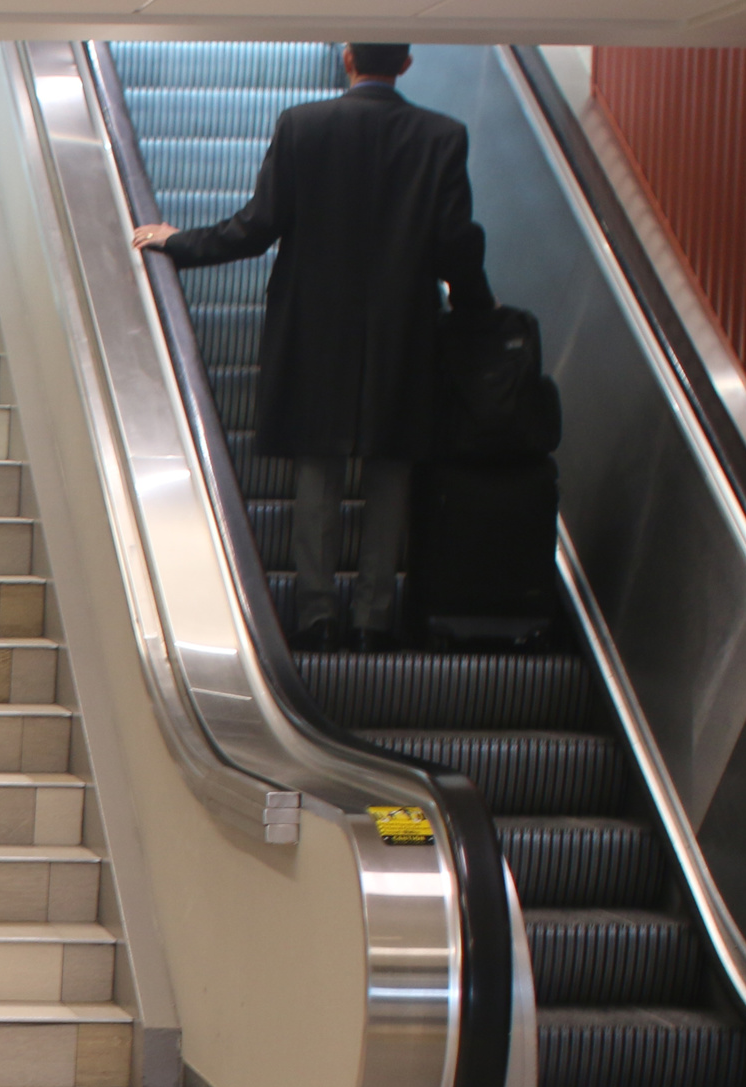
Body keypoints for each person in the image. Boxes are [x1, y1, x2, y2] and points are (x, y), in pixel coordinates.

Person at [130, 43, 494, 651]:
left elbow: (259, 225)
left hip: (314, 331)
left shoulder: (302, 125)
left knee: (317, 469)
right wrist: (481, 312)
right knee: (390, 470)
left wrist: (180, 241)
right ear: (405, 64)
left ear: (347, 58)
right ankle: (375, 620)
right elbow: (456, 243)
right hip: (404, 334)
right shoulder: (443, 136)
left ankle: (317, 613)